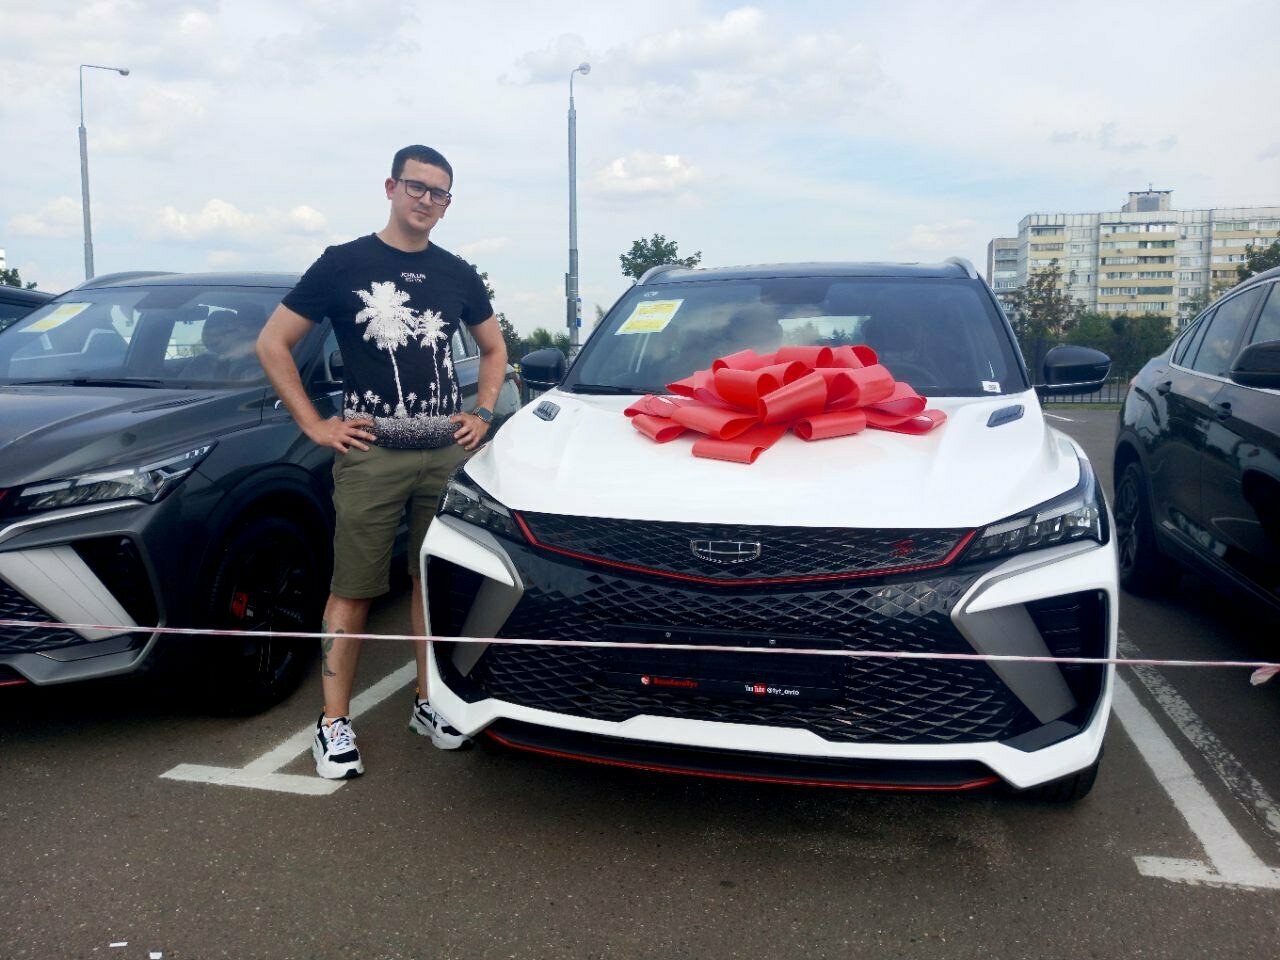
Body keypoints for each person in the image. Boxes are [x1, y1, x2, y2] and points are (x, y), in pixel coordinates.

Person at [256, 144, 508, 780]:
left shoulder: (457, 273)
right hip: (371, 457)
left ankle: (429, 701)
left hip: (444, 455)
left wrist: (481, 412)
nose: (427, 200)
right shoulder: (343, 263)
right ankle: (333, 722)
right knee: (353, 587)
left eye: (440, 193)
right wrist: (314, 424)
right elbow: (273, 342)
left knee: (430, 581)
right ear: (391, 187)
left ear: (447, 205)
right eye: (417, 187)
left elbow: (494, 348)